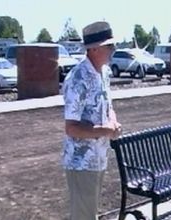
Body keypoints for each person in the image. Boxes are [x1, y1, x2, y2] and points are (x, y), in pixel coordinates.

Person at [62, 21, 121, 220]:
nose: (113, 49)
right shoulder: (77, 79)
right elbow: (71, 128)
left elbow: (108, 106)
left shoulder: (104, 73)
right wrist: (105, 130)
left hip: (98, 159)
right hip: (81, 163)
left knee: (90, 215)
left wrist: (113, 121)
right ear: (94, 49)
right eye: (109, 46)